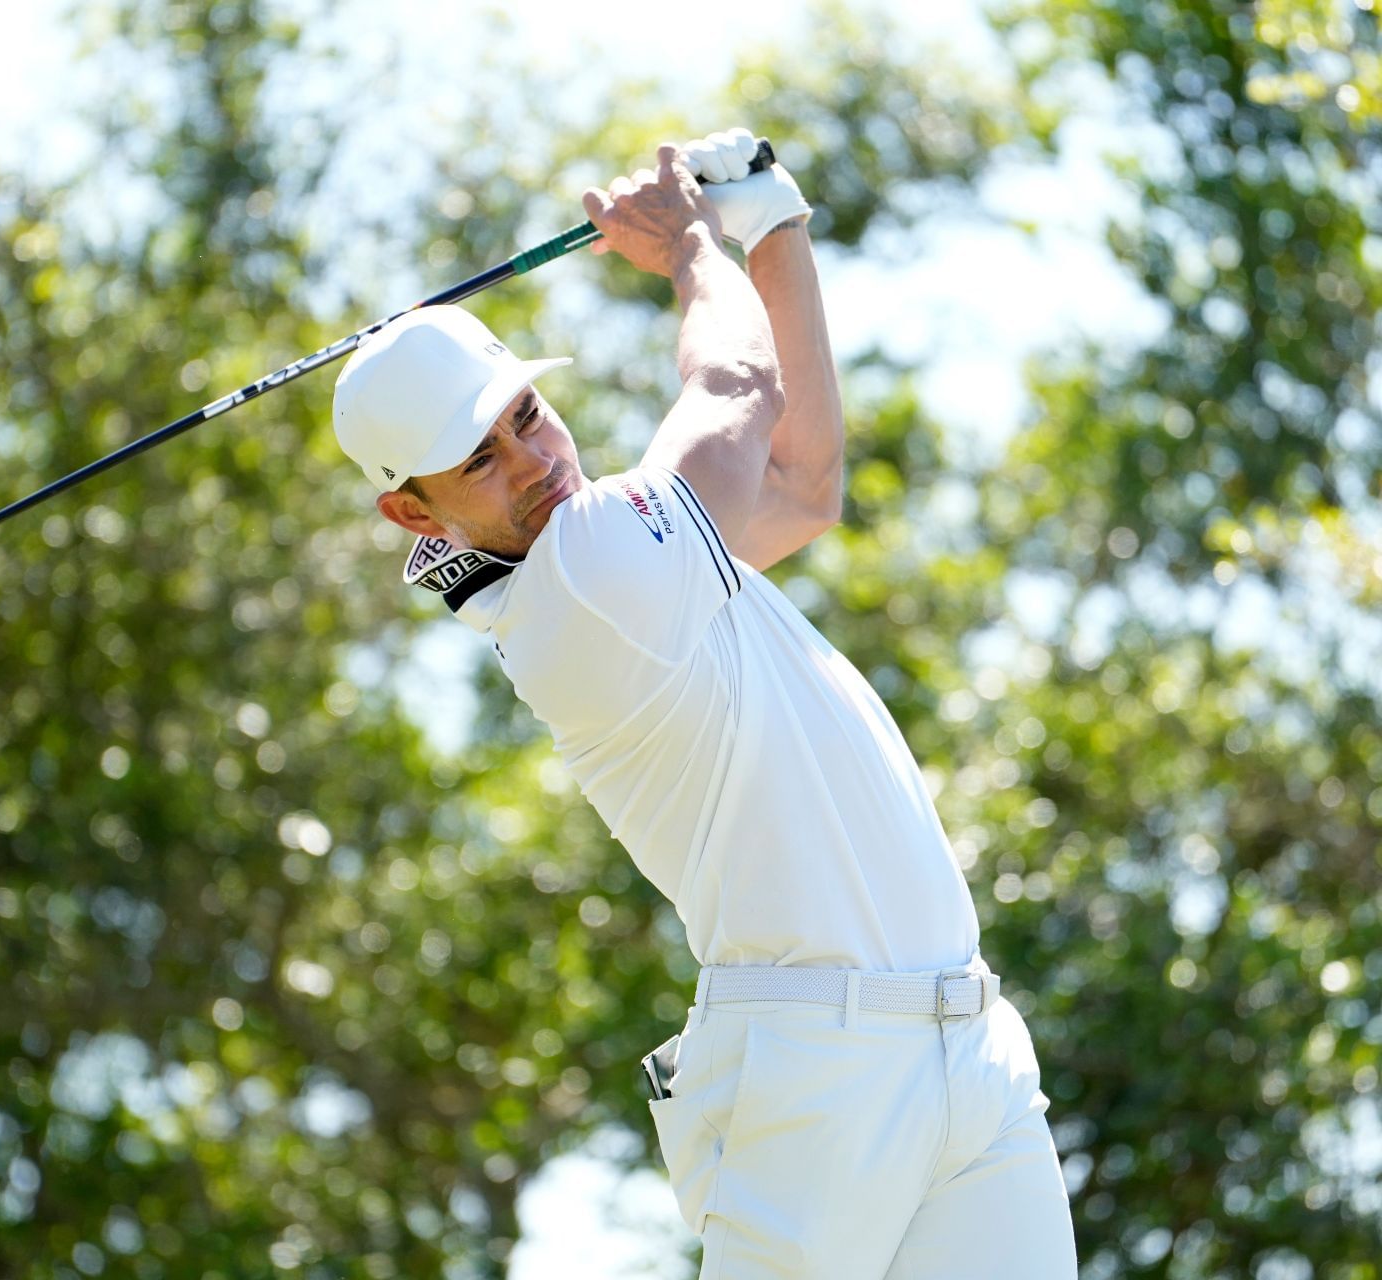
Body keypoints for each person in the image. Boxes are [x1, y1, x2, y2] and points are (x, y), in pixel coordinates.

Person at [328, 129, 1076, 1278]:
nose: (531, 459)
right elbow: (737, 382)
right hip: (816, 1070)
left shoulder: (641, 547)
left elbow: (803, 482)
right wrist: (686, 250)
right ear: (416, 517)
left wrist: (773, 226)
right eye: (478, 459)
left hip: (968, 1045)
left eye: (526, 414)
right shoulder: (587, 569)